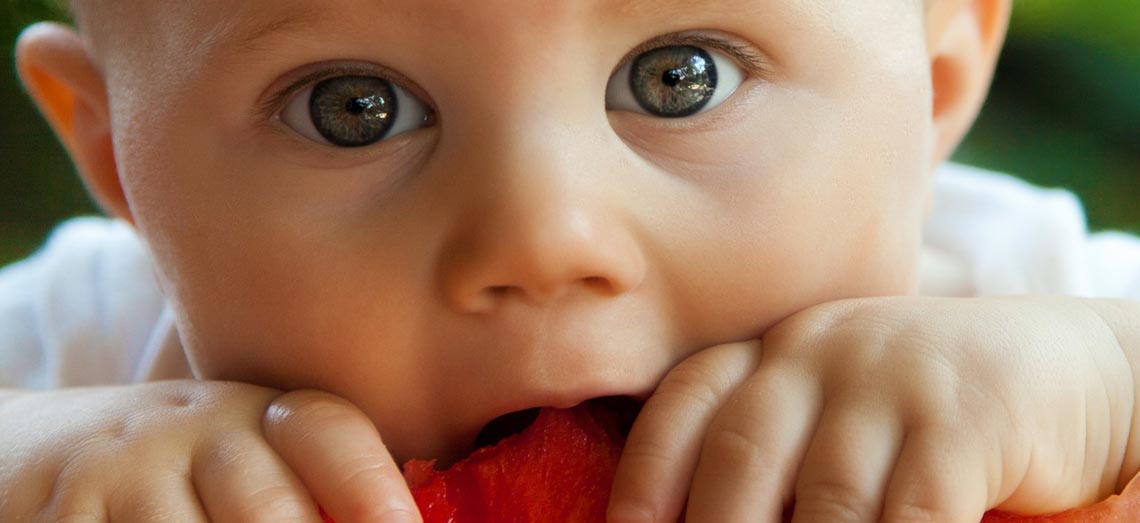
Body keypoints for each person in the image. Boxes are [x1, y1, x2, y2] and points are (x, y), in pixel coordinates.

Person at [2, 0, 1139, 521]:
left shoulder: (1013, 293)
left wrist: (1099, 380)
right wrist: (34, 466)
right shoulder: (102, 361)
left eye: (678, 76)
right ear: (117, 155)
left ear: (936, 75)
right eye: (354, 108)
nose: (542, 240)